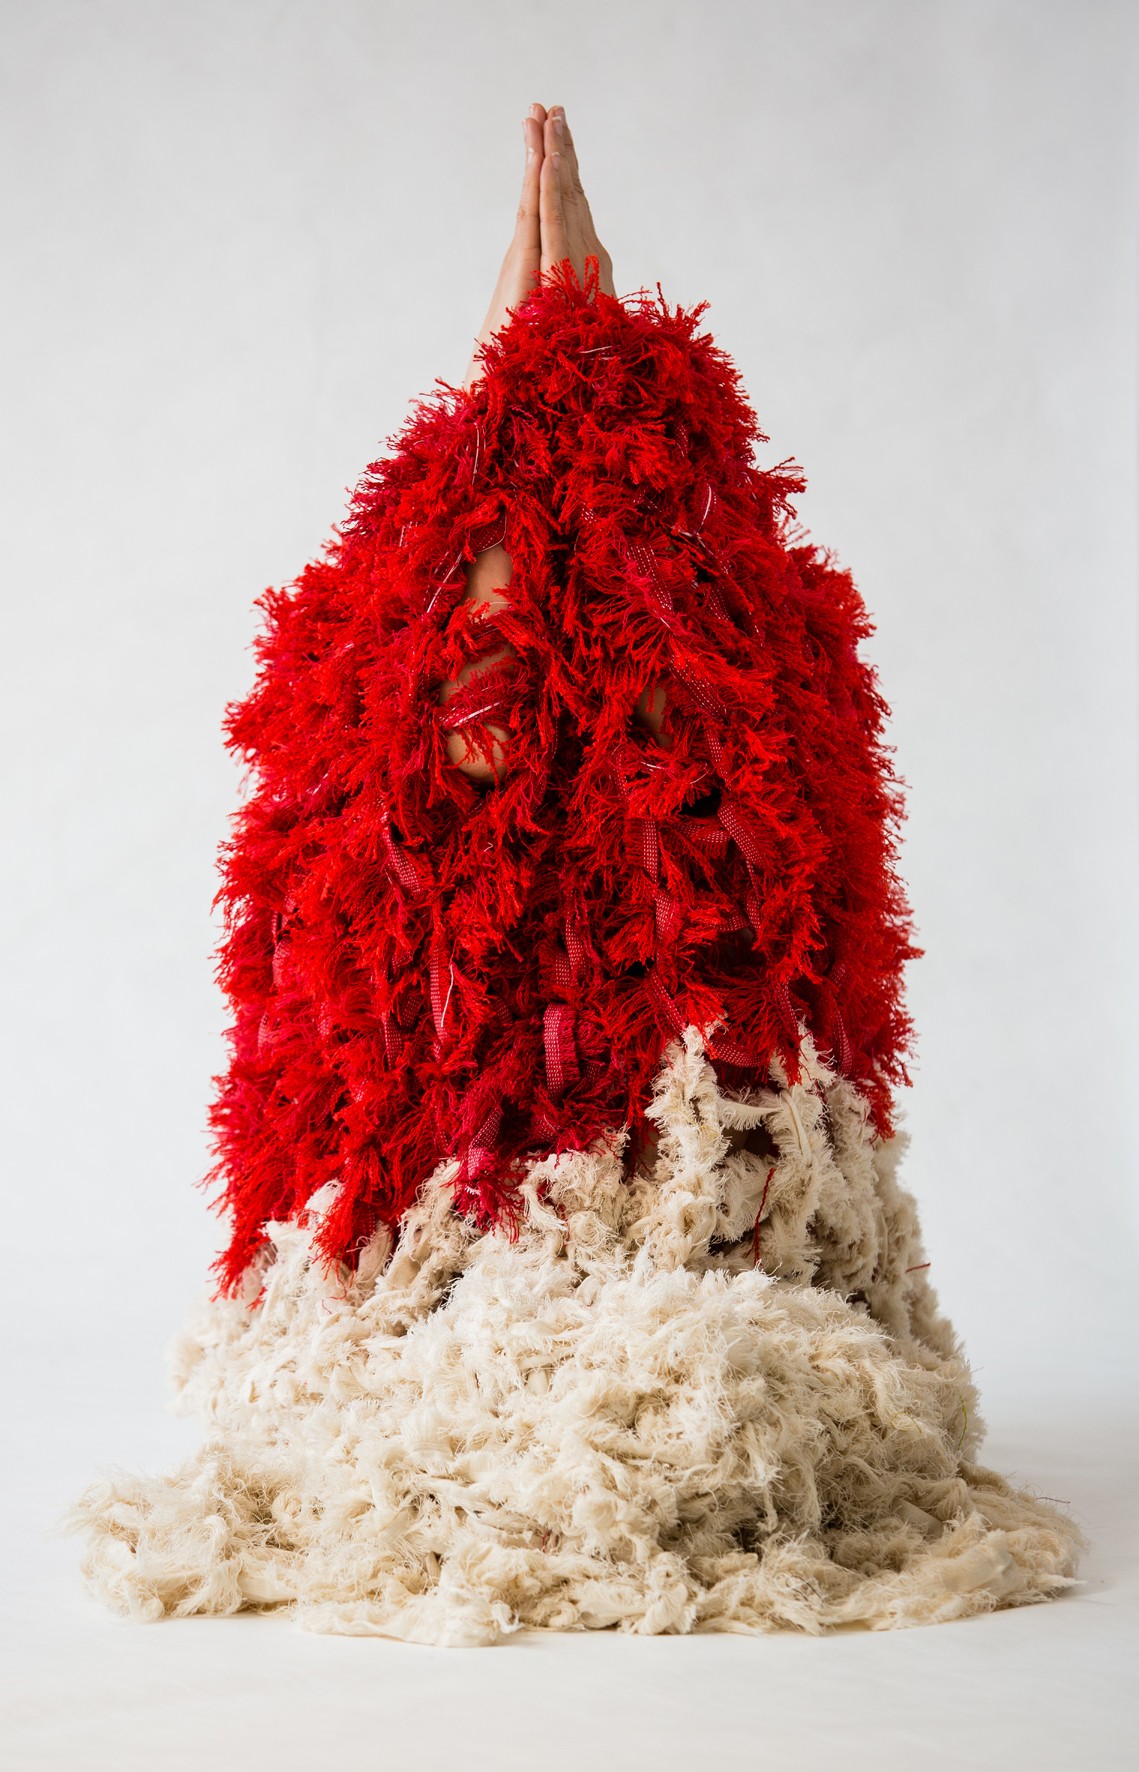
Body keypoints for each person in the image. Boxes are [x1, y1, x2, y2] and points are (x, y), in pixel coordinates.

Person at [69, 103, 1084, 1646]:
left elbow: (622, 689)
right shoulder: (476, 764)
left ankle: (564, 405)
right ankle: (560, 405)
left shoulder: (711, 732)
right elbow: (458, 725)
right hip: (485, 1222)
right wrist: (529, 396)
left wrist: (543, 390)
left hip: (651, 1203)